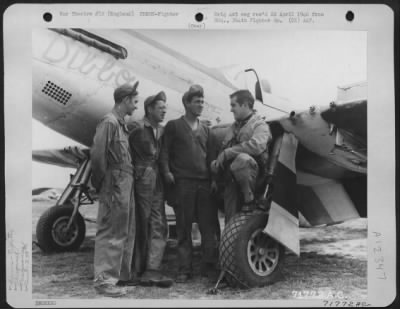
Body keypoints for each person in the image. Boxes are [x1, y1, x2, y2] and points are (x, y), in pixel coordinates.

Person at [160, 85, 219, 283]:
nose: (201, 105)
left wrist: (213, 181)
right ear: (186, 103)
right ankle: (185, 269)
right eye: (197, 102)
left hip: (204, 184)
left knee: (207, 228)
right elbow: (165, 152)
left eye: (202, 102)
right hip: (182, 183)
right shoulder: (173, 126)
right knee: (183, 229)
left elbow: (212, 158)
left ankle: (208, 266)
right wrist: (167, 171)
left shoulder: (207, 130)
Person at [90, 82, 139, 297]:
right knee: (111, 231)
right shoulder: (109, 123)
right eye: (135, 102)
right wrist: (102, 184)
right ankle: (103, 281)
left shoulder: (121, 125)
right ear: (126, 100)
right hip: (114, 183)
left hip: (124, 182)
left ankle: (117, 278)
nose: (136, 107)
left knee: (124, 230)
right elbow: (98, 155)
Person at [128, 91, 173, 288]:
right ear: (149, 109)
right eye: (160, 108)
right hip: (141, 179)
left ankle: (152, 270)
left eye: (165, 108)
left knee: (159, 223)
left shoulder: (162, 131)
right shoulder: (135, 127)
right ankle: (134, 270)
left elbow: (162, 156)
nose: (164, 111)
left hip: (157, 182)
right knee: (139, 223)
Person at [211, 90, 272, 223]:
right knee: (230, 224)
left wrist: (228, 153)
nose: (231, 109)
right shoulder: (233, 127)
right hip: (231, 180)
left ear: (244, 105)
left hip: (253, 178)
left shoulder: (260, 125)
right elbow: (223, 149)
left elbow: (256, 146)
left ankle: (249, 199)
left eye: (234, 105)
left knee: (241, 160)